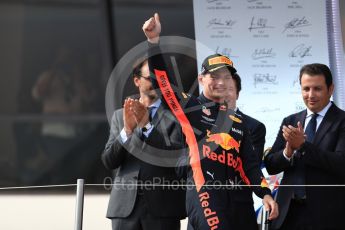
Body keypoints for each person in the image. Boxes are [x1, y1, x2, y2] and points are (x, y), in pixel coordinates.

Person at [143, 13, 278, 230]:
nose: (221, 82)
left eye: (226, 76)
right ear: (201, 79)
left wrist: (265, 194)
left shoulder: (238, 120)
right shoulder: (189, 107)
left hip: (238, 205)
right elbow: (163, 82)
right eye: (214, 76)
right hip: (205, 195)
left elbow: (250, 166)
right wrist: (153, 42)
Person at [101, 59, 186, 230]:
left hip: (162, 208)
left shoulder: (177, 116)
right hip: (124, 209)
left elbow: (175, 160)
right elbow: (109, 161)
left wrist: (147, 126)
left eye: (159, 79)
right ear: (137, 80)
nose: (156, 82)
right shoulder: (120, 116)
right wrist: (127, 131)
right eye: (150, 77)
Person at [264, 63, 345, 230]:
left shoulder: (342, 121)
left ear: (331, 89)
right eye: (306, 89)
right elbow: (271, 165)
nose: (311, 95)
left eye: (317, 89)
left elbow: (341, 163)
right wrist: (288, 151)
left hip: (328, 215)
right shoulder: (290, 121)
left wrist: (303, 146)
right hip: (288, 214)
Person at [226, 72, 266, 229]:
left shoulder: (253, 127)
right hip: (204, 205)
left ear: (237, 93)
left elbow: (250, 167)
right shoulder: (199, 123)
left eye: (229, 89)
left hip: (239, 209)